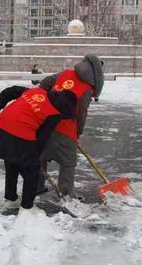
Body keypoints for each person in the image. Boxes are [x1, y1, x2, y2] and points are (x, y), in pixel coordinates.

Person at [0, 87, 77, 210]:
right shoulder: (54, 114)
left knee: (11, 162)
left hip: (3, 124)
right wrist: (36, 158)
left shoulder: (38, 91)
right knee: (32, 172)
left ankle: (11, 198)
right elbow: (41, 138)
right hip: (21, 131)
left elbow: (11, 91)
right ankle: (27, 207)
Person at [37, 55, 104, 197]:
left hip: (45, 121)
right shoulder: (86, 89)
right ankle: (66, 193)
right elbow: (81, 114)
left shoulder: (66, 73)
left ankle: (36, 186)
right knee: (68, 162)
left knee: (41, 156)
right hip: (65, 128)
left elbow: (45, 82)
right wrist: (78, 132)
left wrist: (44, 102)